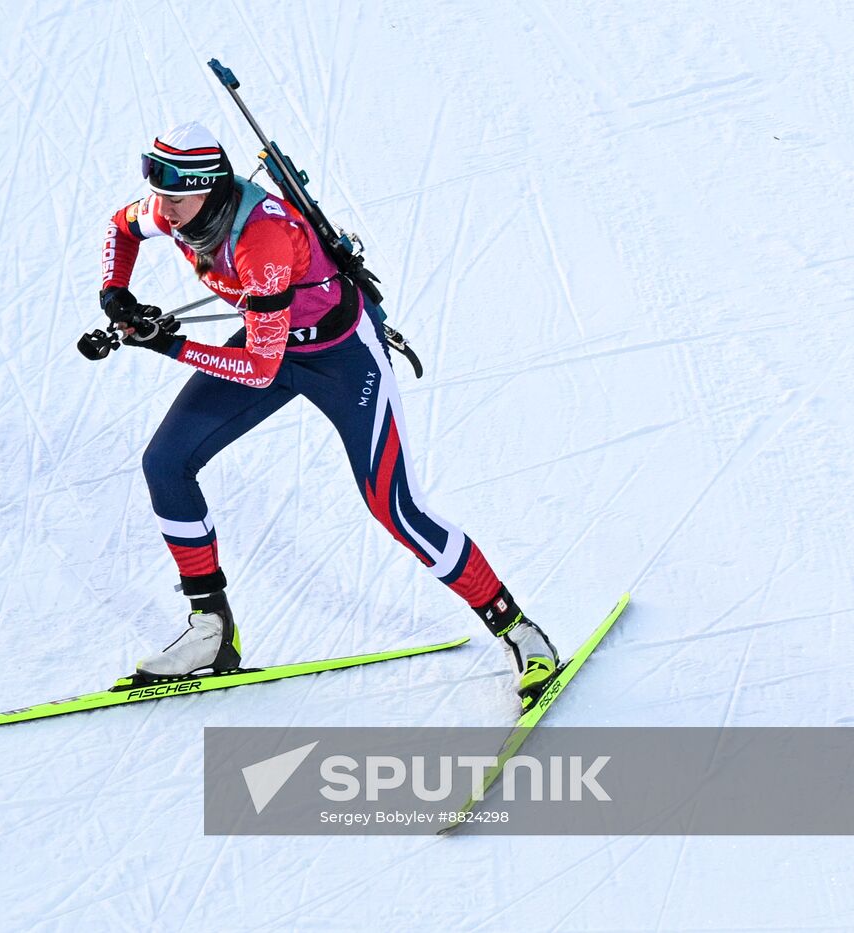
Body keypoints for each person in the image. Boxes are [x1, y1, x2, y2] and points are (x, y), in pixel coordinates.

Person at [98, 121, 559, 710]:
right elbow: (121, 228)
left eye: (177, 199)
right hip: (274, 341)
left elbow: (259, 370)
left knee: (394, 508)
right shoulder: (175, 205)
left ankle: (518, 629)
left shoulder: (261, 241)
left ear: (209, 189)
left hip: (342, 360)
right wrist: (115, 291)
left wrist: (165, 343)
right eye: (159, 197)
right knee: (165, 464)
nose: (164, 211)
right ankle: (210, 631)